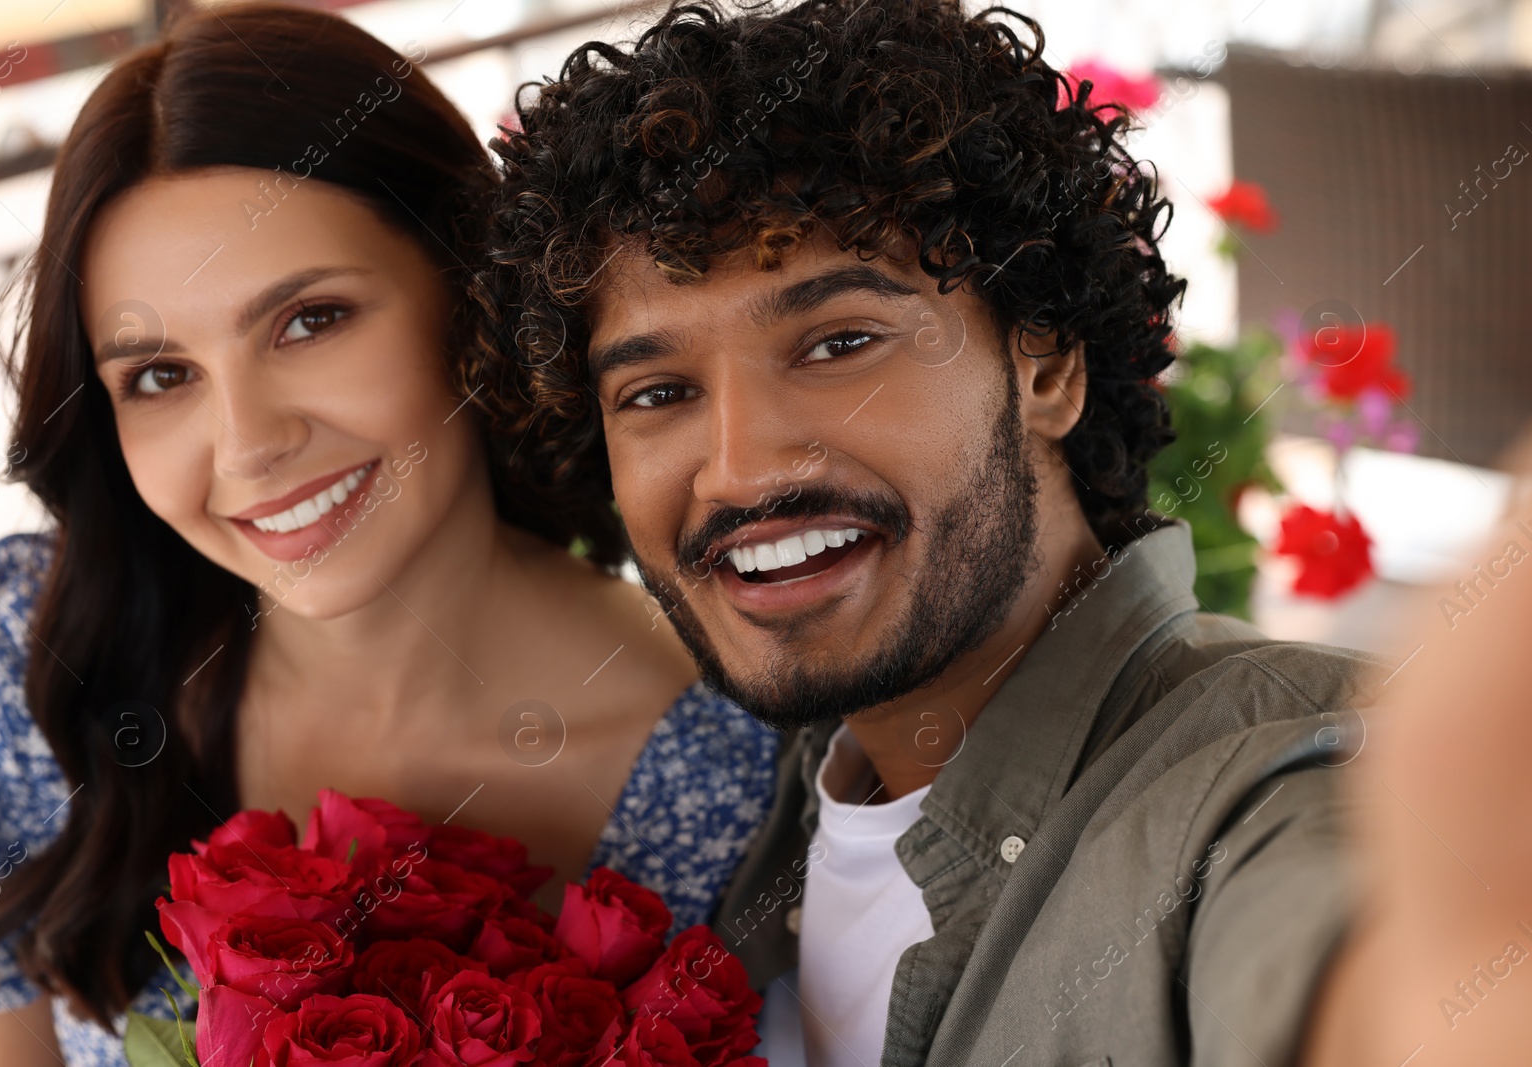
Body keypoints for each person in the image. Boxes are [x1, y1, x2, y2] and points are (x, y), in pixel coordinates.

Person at [490, 0, 1532, 1064]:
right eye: (658, 392)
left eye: (838, 341)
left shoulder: (1264, 786)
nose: (743, 466)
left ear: (1045, 366)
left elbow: (1374, 982)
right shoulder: (733, 822)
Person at [0, 5, 778, 1065]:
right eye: (159, 376)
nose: (247, 445)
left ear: (470, 289)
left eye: (309, 320)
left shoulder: (744, 757)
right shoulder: (27, 659)